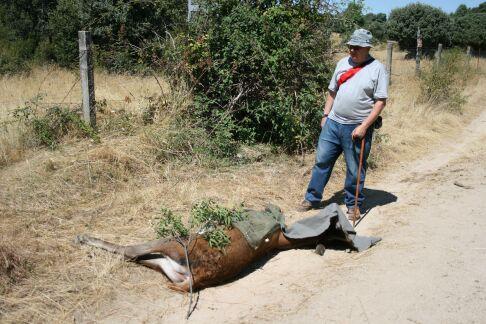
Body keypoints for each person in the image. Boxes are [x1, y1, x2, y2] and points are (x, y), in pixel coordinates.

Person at [300, 29, 388, 219]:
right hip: (333, 123)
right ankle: (312, 198)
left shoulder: (377, 69)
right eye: (350, 46)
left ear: (367, 48)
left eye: (356, 47)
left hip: (356, 127)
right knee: (322, 162)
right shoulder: (342, 63)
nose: (351, 50)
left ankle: (353, 204)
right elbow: (332, 91)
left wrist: (364, 126)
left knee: (355, 168)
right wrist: (325, 116)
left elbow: (380, 102)